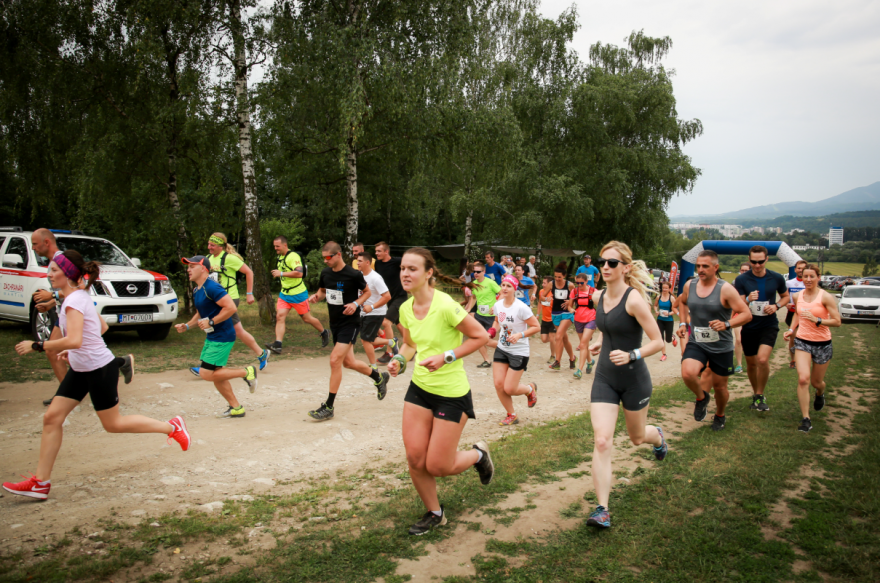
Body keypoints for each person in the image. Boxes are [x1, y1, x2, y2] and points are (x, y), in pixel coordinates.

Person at [5, 250, 190, 501]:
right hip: (81, 368)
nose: (49, 274)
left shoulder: (74, 300)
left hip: (99, 369)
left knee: (113, 424)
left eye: (54, 270)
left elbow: (75, 339)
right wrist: (72, 351)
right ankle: (40, 482)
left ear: (68, 274)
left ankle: (172, 426)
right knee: (52, 418)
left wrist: (38, 345)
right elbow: (100, 328)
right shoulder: (76, 297)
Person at [386, 248, 494, 535]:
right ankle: (435, 513)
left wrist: (446, 356)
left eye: (412, 269)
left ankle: (479, 455)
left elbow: (480, 336)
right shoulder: (405, 308)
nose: (405, 274)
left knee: (438, 465)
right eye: (403, 268)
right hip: (420, 389)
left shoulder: (445, 305)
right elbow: (410, 345)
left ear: (428, 273)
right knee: (415, 458)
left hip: (451, 394)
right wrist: (399, 361)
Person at [586, 241, 668, 529]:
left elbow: (658, 342)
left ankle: (657, 437)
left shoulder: (634, 301)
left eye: (612, 263)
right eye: (602, 262)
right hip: (605, 378)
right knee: (602, 440)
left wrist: (632, 354)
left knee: (636, 437)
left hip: (634, 380)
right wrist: (601, 341)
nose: (605, 267)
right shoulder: (598, 296)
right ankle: (602, 509)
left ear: (626, 267)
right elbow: (607, 326)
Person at [306, 242, 390, 421]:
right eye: (323, 258)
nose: (325, 261)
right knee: (349, 363)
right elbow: (323, 291)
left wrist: (355, 304)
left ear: (338, 255)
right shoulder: (325, 273)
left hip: (350, 324)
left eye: (328, 257)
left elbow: (366, 293)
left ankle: (329, 406)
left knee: (335, 360)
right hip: (335, 323)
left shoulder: (354, 274)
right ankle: (379, 378)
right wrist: (316, 297)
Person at [677, 251, 752, 431]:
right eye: (698, 266)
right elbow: (682, 302)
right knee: (688, 373)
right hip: (697, 341)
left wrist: (727, 324)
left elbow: (746, 314)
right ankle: (702, 398)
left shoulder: (725, 289)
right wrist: (682, 322)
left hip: (720, 346)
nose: (700, 270)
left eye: (705, 266)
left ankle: (720, 414)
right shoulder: (690, 285)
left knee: (720, 387)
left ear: (716, 267)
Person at [177, 256, 258, 418]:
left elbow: (231, 307)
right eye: (188, 267)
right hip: (213, 336)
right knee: (216, 374)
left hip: (223, 336)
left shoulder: (212, 287)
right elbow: (201, 312)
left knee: (206, 373)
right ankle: (236, 408)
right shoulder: (198, 290)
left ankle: (247, 372)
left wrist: (212, 322)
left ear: (203, 269)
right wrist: (187, 325)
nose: (188, 270)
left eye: (192, 266)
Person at [190, 233, 269, 376]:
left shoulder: (229, 258)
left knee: (217, 327)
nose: (209, 247)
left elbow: (249, 272)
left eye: (212, 245)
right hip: (214, 300)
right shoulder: (207, 259)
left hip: (229, 299)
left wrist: (249, 293)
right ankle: (261, 354)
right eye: (208, 244)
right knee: (237, 330)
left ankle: (207, 365)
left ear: (221, 246)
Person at [783, 263, 841, 433]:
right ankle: (806, 419)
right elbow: (797, 314)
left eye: (811, 276)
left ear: (818, 278)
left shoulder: (826, 297)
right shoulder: (797, 296)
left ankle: (820, 392)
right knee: (803, 379)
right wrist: (791, 330)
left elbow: (837, 321)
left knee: (816, 382)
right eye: (805, 276)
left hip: (822, 343)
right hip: (802, 341)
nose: (808, 279)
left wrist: (818, 320)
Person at [734, 245, 789, 412]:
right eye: (753, 262)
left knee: (762, 360)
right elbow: (738, 304)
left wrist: (776, 306)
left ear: (767, 259)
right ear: (749, 260)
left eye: (760, 262)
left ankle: (760, 394)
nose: (757, 265)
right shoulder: (742, 279)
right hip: (749, 325)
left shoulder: (776, 277)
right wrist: (748, 300)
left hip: (768, 324)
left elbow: (786, 297)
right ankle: (755, 394)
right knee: (751, 364)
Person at [489, 276, 540, 426]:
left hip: (519, 351)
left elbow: (536, 327)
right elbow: (497, 322)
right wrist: (492, 331)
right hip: (502, 348)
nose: (504, 288)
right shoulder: (498, 305)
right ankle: (512, 415)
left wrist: (520, 335)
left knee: (509, 388)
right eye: (503, 285)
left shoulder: (521, 307)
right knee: (499, 384)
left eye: (508, 286)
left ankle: (529, 389)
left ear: (515, 289)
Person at [266, 236, 330, 354]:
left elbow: (299, 273)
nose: (275, 248)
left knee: (307, 318)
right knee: (280, 317)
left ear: (285, 245)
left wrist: (281, 273)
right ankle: (278, 344)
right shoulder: (280, 257)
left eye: (277, 246)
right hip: (284, 293)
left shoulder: (293, 256)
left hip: (298, 294)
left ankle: (324, 332)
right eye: (274, 246)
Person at [29, 228, 70, 405]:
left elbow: (80, 287)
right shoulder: (55, 261)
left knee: (56, 351)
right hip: (64, 311)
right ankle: (67, 393)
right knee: (58, 351)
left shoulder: (61, 259)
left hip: (72, 313)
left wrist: (51, 295)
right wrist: (50, 304)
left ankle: (67, 394)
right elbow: (68, 290)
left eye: (35, 244)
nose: (33, 248)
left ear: (46, 242)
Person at [357, 251, 399, 368]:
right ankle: (391, 342)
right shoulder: (359, 275)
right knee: (368, 339)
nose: (357, 263)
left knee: (365, 340)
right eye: (357, 261)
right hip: (363, 312)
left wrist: (372, 307)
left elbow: (387, 296)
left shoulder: (375, 278)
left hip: (375, 312)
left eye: (360, 261)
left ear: (367, 263)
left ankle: (373, 365)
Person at [374, 241, 408, 365]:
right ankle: (412, 346)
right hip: (389, 298)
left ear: (386, 251)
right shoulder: (377, 264)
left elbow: (410, 265)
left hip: (400, 297)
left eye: (379, 251)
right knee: (399, 325)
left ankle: (390, 352)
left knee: (386, 322)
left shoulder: (397, 261)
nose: (376, 253)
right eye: (376, 251)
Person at [470, 262, 500, 368]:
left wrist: (495, 306)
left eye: (478, 272)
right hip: (479, 315)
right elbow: (473, 297)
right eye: (474, 271)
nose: (476, 273)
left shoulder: (491, 282)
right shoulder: (474, 283)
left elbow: (502, 293)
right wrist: (467, 309)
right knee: (479, 339)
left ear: (484, 272)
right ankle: (487, 360)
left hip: (491, 317)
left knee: (487, 341)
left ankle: (507, 348)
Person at [549, 263, 576, 371]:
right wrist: (546, 298)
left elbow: (577, 298)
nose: (557, 278)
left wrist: (570, 301)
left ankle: (557, 362)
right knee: (564, 338)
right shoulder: (551, 284)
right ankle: (572, 358)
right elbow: (541, 296)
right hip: (555, 313)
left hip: (567, 313)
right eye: (555, 276)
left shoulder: (570, 285)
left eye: (559, 277)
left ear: (564, 276)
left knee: (558, 336)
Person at [571, 272, 598, 378]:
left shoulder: (594, 291)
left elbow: (600, 304)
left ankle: (579, 370)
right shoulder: (574, 291)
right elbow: (569, 306)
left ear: (586, 281)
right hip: (578, 320)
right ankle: (590, 362)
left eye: (581, 283)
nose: (579, 285)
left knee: (582, 344)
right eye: (577, 283)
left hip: (591, 319)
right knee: (584, 345)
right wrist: (570, 309)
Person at [785, 261, 807, 369]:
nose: (801, 270)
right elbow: (785, 297)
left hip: (806, 314)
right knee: (793, 338)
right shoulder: (789, 283)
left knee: (803, 338)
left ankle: (803, 359)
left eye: (803, 268)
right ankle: (793, 360)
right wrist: (786, 304)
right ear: (795, 270)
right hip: (792, 313)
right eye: (799, 268)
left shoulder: (809, 283)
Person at [732, 263, 751, 373]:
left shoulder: (754, 282)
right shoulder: (735, 283)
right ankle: (739, 365)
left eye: (746, 270)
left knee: (750, 340)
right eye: (742, 270)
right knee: (739, 339)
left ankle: (752, 362)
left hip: (751, 314)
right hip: (738, 313)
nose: (744, 272)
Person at [653, 280, 677, 362]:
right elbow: (655, 305)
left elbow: (675, 310)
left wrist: (669, 313)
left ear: (669, 289)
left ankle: (672, 338)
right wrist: (656, 311)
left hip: (669, 320)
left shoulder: (671, 298)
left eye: (666, 288)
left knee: (668, 340)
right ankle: (664, 354)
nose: (664, 289)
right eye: (663, 288)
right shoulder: (658, 297)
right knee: (661, 338)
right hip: (660, 320)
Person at [538, 277, 557, 364]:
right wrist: (537, 314)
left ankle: (552, 356)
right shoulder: (541, 292)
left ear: (550, 284)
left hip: (553, 319)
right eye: (542, 283)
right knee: (544, 339)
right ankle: (557, 340)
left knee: (552, 338)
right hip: (544, 319)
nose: (543, 284)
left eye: (544, 283)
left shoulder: (555, 293)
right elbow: (539, 302)